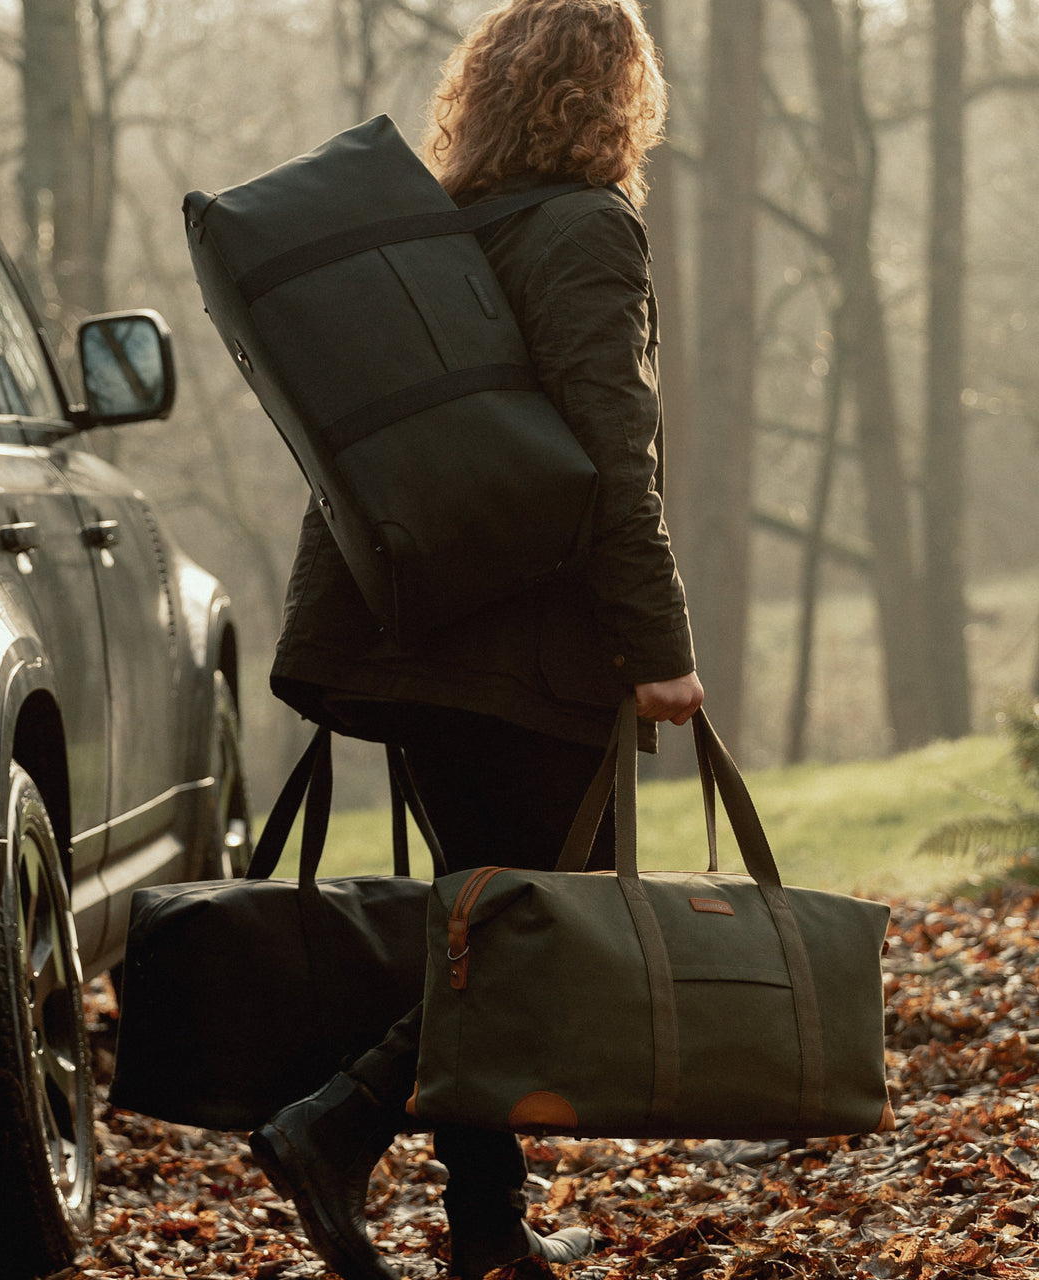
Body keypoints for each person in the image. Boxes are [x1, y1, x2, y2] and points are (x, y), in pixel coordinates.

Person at [249, 1, 704, 1276]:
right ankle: (333, 1127)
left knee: (480, 921)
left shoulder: (444, 231)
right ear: (616, 96)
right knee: (533, 933)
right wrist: (657, 643)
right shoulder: (586, 231)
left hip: (416, 636)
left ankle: (484, 1231)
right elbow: (616, 459)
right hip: (522, 658)